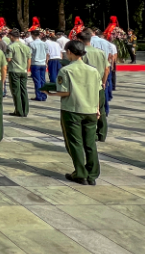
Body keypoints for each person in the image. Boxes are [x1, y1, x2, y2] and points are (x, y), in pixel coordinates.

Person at [52, 40, 102, 185]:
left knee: (75, 143)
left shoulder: (66, 70)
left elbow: (65, 92)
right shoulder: (93, 70)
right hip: (91, 110)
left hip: (72, 110)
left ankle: (80, 173)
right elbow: (98, 91)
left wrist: (51, 93)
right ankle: (92, 174)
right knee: (90, 143)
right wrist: (97, 108)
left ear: (69, 52)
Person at [5, 30, 31, 117]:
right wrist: (27, 69)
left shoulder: (11, 47)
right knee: (24, 90)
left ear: (12, 36)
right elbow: (29, 59)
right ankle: (25, 110)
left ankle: (18, 110)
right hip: (23, 71)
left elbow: (8, 59)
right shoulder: (26, 47)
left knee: (16, 91)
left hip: (14, 70)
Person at [28, 31, 49, 101]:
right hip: (43, 63)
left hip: (35, 63)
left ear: (33, 35)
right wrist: (46, 62)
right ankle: (44, 95)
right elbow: (47, 54)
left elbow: (30, 55)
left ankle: (39, 96)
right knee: (43, 80)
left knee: (37, 81)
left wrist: (28, 65)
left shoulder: (31, 44)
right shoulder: (44, 44)